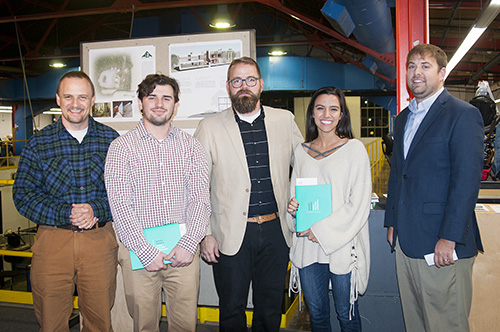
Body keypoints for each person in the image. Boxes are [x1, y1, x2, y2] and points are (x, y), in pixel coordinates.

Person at [194, 56, 302, 331]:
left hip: (276, 232)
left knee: (269, 309)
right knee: (231, 308)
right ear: (229, 87)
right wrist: (205, 233)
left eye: (250, 80)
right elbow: (197, 185)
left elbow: (304, 166)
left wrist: (307, 207)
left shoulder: (284, 120)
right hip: (229, 234)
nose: (244, 86)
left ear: (261, 85)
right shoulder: (209, 127)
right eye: (237, 81)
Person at [384, 44, 484, 332]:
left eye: (425, 66)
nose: (417, 73)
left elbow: (466, 182)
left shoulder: (462, 115)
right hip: (407, 241)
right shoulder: (404, 118)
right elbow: (399, 175)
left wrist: (449, 238)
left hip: (441, 245)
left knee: (446, 323)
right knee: (415, 322)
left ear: (442, 73)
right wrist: (392, 222)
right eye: (412, 66)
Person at [12, 71, 119, 331]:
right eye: (68, 96)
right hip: (52, 242)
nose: (75, 103)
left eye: (82, 96)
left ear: (92, 100)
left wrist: (97, 208)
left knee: (99, 320)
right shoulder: (40, 143)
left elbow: (126, 191)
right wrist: (65, 212)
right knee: (51, 320)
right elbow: (23, 194)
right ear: (58, 99)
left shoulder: (112, 140)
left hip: (99, 241)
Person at [105, 74, 210, 332]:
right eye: (152, 97)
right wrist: (145, 250)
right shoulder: (121, 148)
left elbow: (200, 199)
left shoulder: (191, 146)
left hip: (183, 253)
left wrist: (188, 244)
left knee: (185, 325)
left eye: (167, 98)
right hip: (138, 256)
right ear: (141, 103)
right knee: (143, 325)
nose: (159, 103)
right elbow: (119, 205)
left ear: (176, 104)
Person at [286, 87, 371, 332]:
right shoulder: (301, 152)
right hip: (309, 250)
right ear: (312, 114)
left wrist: (321, 231)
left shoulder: (354, 150)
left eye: (334, 109)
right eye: (320, 108)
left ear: (342, 114)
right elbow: (296, 197)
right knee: (318, 317)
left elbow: (359, 204)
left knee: (347, 316)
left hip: (342, 246)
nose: (327, 114)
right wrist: (294, 210)